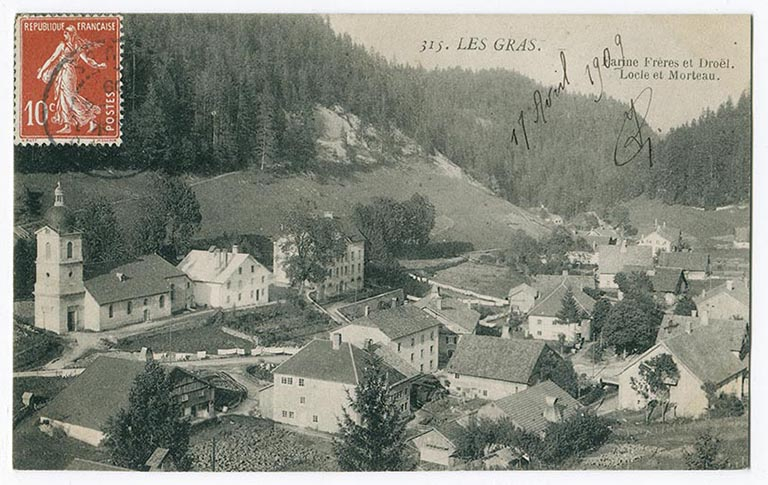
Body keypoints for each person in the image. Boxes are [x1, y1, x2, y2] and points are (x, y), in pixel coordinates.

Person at [36, 25, 106, 134]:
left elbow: (86, 59)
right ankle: (67, 125)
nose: (64, 35)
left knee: (69, 97)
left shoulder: (77, 46)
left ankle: (91, 118)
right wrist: (42, 71)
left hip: (69, 73)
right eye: (64, 33)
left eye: (66, 33)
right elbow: (52, 59)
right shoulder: (62, 45)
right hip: (61, 72)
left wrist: (97, 65)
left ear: (72, 34)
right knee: (62, 97)